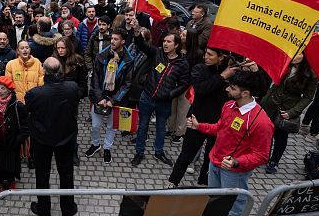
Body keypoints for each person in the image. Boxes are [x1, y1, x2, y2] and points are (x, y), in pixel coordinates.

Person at [187, 71, 273, 216]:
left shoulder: (261, 122)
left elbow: (262, 155)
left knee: (233, 208)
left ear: (245, 93)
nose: (227, 89)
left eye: (232, 88)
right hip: (215, 162)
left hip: (234, 173)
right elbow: (220, 128)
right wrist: (199, 126)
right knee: (213, 200)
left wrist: (236, 162)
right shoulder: (228, 105)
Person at [167, 48, 233, 186]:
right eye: (206, 53)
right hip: (196, 121)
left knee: (210, 158)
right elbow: (201, 89)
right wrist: (222, 77)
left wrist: (254, 70)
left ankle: (203, 184)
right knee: (186, 156)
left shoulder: (231, 71)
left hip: (218, 124)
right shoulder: (199, 68)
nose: (205, 57)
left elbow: (256, 89)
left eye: (210, 54)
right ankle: (172, 183)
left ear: (221, 57)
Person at [25, 58, 81, 216]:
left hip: (42, 141)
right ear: (60, 70)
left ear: (44, 71)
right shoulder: (72, 88)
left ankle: (44, 211)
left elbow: (28, 109)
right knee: (66, 174)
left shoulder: (35, 93)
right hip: (66, 138)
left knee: (42, 175)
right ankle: (67, 210)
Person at [130, 26, 190, 167]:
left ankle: (159, 152)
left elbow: (184, 84)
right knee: (142, 126)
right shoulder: (157, 53)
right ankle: (139, 153)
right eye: (164, 41)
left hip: (164, 102)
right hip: (147, 97)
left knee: (161, 128)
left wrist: (170, 94)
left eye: (169, 42)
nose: (165, 44)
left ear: (176, 45)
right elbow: (141, 44)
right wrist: (136, 31)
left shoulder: (182, 63)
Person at [262, 55, 318, 174]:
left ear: (305, 57)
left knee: (281, 136)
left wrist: (292, 112)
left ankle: (274, 161)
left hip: (287, 108)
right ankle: (264, 156)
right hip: (271, 103)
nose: (295, 55)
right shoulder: (284, 63)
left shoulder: (311, 75)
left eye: (300, 54)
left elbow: (308, 97)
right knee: (266, 132)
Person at [86, 28, 133, 164]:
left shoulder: (129, 59)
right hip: (100, 96)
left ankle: (107, 148)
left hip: (116, 98)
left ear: (123, 41)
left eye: (116, 39)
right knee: (95, 125)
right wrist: (99, 98)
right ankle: (95, 144)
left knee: (112, 127)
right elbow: (95, 78)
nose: (112, 41)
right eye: (111, 38)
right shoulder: (102, 55)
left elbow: (127, 84)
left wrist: (114, 100)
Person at [0, 76, 29, 192]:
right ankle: (0, 181)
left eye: (3, 88)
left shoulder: (18, 105)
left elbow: (25, 126)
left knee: (11, 162)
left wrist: (18, 140)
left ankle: (10, 180)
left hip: (12, 140)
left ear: (9, 90)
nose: (0, 91)